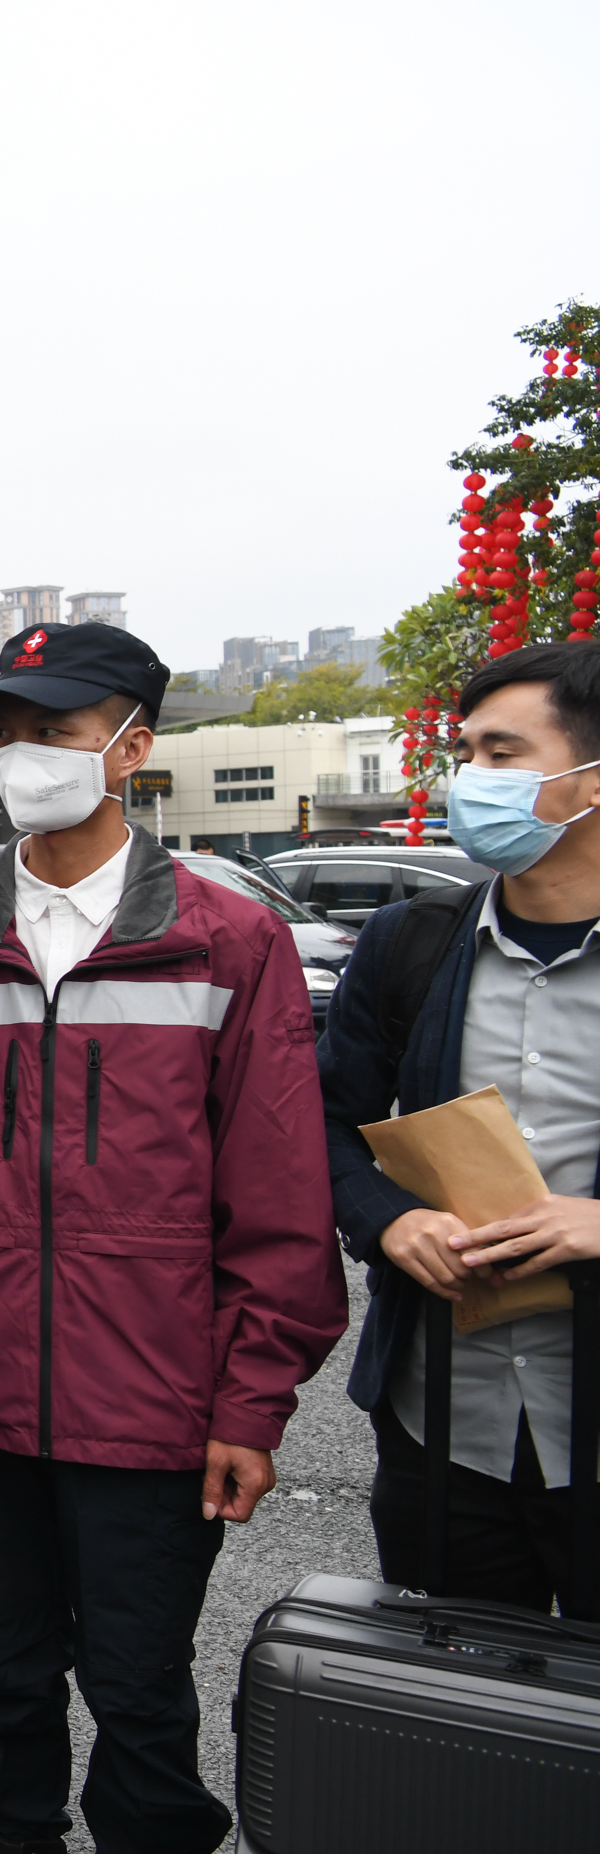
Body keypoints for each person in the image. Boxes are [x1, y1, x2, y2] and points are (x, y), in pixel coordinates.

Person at [0, 623, 343, 1854]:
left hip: (152, 1410)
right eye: (5, 730)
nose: (23, 755)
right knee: (0, 1671)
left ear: (132, 750)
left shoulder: (225, 946)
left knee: (141, 1692)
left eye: (57, 728)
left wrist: (251, 1401)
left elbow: (279, 1201)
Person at [324, 639, 600, 1620]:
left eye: (502, 752)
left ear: (589, 781)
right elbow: (323, 1121)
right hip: (443, 1422)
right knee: (464, 1736)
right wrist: (390, 1219)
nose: (470, 780)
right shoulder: (413, 943)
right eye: (467, 752)